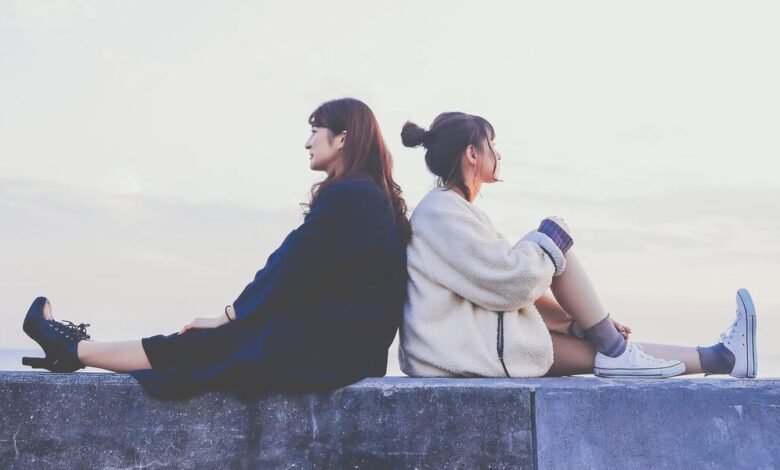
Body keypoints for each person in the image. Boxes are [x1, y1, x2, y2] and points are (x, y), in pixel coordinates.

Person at [22, 98, 412, 398]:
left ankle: (72, 348)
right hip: (345, 348)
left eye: (315, 131)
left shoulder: (351, 196)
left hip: (332, 351)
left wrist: (229, 315)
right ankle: (74, 349)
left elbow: (289, 267)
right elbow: (307, 274)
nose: (307, 142)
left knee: (204, 346)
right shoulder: (369, 196)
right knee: (203, 347)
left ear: (342, 138)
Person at [398, 112, 757, 379]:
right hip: (465, 350)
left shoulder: (452, 210)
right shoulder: (441, 212)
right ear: (472, 154)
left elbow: (503, 288)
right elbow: (509, 281)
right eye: (492, 144)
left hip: (479, 343)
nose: (499, 154)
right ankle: (623, 348)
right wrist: (552, 237)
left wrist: (579, 324)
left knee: (612, 353)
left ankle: (722, 358)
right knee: (555, 250)